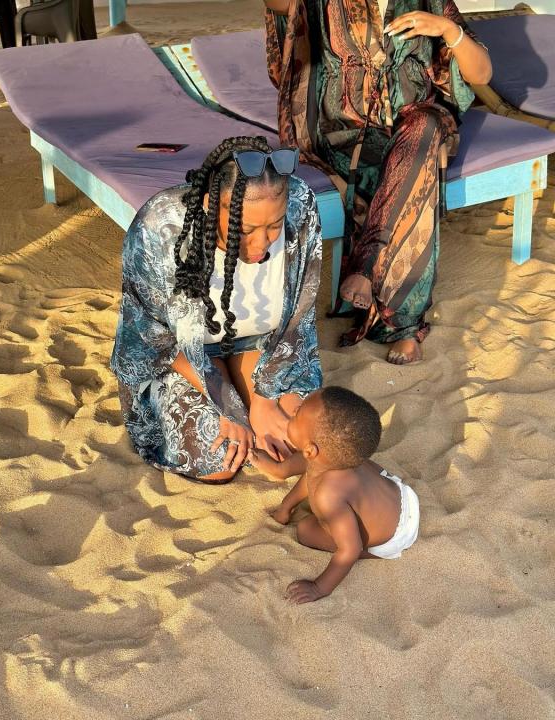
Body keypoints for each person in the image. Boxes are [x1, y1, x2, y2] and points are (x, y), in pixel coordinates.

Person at [263, 0, 492, 364]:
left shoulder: (428, 2)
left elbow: (481, 73)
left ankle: (369, 274)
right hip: (344, 128)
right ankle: (398, 319)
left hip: (417, 118)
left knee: (421, 134)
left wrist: (449, 31)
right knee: (400, 171)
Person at [111, 136, 323, 483]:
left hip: (262, 347)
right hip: (179, 357)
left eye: (273, 226)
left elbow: (299, 319)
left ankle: (242, 374)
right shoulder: (160, 227)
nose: (262, 243)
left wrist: (265, 400)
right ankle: (228, 379)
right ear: (212, 205)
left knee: (304, 438)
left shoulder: (300, 206)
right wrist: (227, 404)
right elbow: (150, 340)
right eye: (247, 228)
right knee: (218, 460)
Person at [248, 386, 420, 603]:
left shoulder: (328, 496)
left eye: (298, 414)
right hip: (400, 496)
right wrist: (283, 494)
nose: (294, 411)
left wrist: (319, 588)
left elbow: (350, 549)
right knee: (323, 473)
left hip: (394, 535)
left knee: (306, 530)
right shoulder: (336, 456)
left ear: (310, 450)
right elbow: (305, 469)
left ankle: (376, 552)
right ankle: (289, 508)